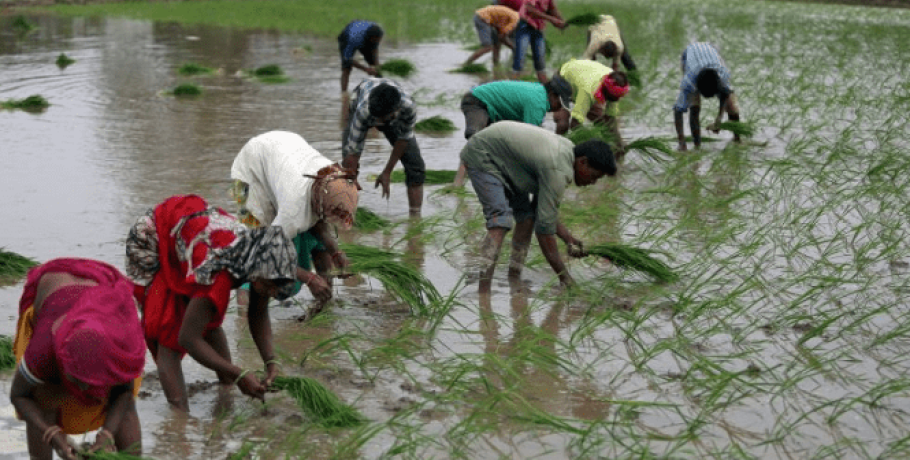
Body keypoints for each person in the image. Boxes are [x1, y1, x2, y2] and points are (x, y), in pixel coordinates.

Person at [125, 194, 299, 411]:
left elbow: (258, 313)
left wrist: (271, 362)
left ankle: (225, 389)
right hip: (152, 240)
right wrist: (239, 373)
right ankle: (179, 419)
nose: (271, 292)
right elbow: (188, 339)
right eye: (269, 286)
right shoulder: (218, 275)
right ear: (257, 272)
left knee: (203, 317)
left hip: (190, 233)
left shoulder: (259, 259)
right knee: (169, 332)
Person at [10, 258, 146, 460]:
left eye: (90, 384)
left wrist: (106, 434)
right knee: (43, 399)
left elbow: (124, 392)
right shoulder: (42, 350)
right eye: (77, 381)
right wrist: (52, 433)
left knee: (124, 409)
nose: (83, 392)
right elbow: (19, 395)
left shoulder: (118, 350)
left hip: (101, 287)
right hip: (54, 291)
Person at [459, 121, 617, 288]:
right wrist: (565, 278)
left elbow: (544, 211)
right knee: (500, 222)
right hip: (483, 154)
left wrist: (568, 238)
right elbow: (544, 231)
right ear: (583, 162)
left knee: (527, 219)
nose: (592, 182)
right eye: (594, 176)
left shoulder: (568, 154)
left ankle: (514, 277)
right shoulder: (558, 169)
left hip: (508, 160)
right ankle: (484, 291)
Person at [230, 130, 359, 309]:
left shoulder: (332, 178)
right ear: (318, 203)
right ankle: (244, 314)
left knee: (316, 238)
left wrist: (336, 252)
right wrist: (309, 278)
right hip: (250, 172)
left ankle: (323, 306)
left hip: (282, 152)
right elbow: (268, 251)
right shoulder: (293, 210)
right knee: (255, 250)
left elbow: (319, 222)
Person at [454, 77, 574, 186]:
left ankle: (492, 181)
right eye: (560, 102)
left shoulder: (539, 93)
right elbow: (529, 140)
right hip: (477, 101)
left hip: (493, 109)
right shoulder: (538, 103)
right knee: (475, 143)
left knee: (492, 147)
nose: (560, 107)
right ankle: (457, 184)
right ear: (552, 95)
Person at [342, 77, 425, 214]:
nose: (377, 126)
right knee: (347, 170)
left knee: (416, 166)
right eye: (376, 121)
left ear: (397, 110)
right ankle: (347, 214)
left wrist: (387, 172)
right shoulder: (364, 110)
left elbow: (403, 140)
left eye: (382, 121)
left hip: (391, 117)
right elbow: (353, 151)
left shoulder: (408, 108)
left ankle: (415, 218)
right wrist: (352, 178)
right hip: (361, 103)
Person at [673, 42, 742, 151]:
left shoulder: (722, 75)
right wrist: (681, 142)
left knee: (731, 105)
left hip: (711, 53)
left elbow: (725, 94)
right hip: (689, 55)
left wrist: (718, 121)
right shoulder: (689, 82)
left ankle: (737, 138)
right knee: (694, 106)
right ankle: (697, 145)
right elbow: (678, 111)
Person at [556, 58, 630, 158]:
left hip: (583, 75)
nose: (615, 101)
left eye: (617, 98)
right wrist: (593, 143)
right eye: (612, 98)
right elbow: (575, 124)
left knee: (602, 124)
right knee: (563, 123)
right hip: (563, 79)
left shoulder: (614, 86)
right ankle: (558, 151)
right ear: (605, 91)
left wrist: (619, 144)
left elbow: (610, 121)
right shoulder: (588, 91)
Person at [511, 0, 566, 84]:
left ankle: (547, 91)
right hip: (524, 26)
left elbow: (552, 10)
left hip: (538, 29)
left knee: (540, 62)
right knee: (520, 60)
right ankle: (511, 87)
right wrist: (551, 19)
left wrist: (561, 21)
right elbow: (529, 9)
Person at [338, 20, 384, 92]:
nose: (377, 42)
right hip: (347, 38)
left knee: (376, 68)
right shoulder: (354, 38)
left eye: (378, 41)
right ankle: (344, 94)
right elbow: (348, 59)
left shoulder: (377, 33)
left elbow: (374, 48)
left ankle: (381, 89)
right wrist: (365, 69)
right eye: (375, 40)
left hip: (364, 35)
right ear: (370, 38)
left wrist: (376, 65)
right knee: (346, 68)